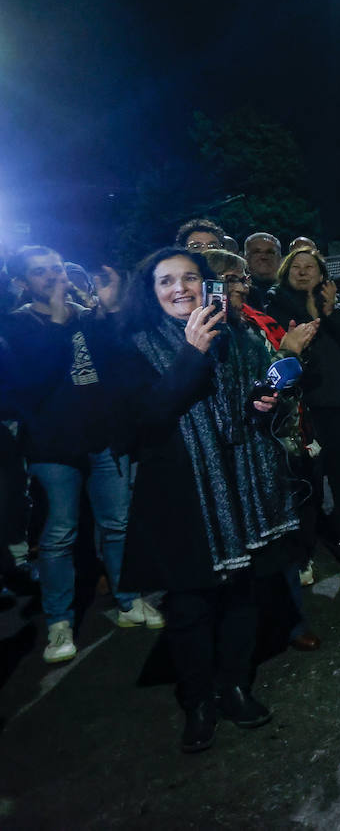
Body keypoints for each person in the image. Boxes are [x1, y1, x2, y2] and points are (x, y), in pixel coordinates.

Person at [117, 247, 299, 753]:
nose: (180, 288)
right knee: (191, 606)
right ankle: (198, 699)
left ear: (205, 284)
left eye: (190, 278)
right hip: (183, 498)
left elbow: (254, 410)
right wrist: (191, 354)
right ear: (150, 293)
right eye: (166, 281)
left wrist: (266, 403)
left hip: (243, 487)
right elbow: (147, 420)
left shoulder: (238, 336)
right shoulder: (133, 346)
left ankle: (234, 685)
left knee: (243, 595)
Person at [0, 247, 160, 665]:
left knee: (118, 524)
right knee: (59, 536)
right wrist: (56, 320)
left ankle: (129, 600)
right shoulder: (14, 326)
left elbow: (121, 363)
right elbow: (31, 381)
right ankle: (58, 621)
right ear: (21, 283)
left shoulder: (88, 317)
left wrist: (108, 313)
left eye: (56, 268)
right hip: (53, 448)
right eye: (40, 273)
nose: (53, 277)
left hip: (104, 439)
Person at [202, 248, 322, 653]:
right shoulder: (197, 338)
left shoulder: (251, 332)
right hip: (219, 465)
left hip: (262, 456)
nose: (242, 287)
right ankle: (240, 637)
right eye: (234, 280)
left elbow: (273, 385)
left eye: (243, 280)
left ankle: (292, 623)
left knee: (278, 547)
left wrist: (283, 367)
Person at [262, 247, 340, 581]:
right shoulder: (275, 307)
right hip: (301, 411)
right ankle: (303, 554)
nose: (303, 272)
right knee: (306, 486)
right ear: (286, 272)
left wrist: (329, 312)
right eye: (296, 267)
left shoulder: (339, 305)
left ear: (321, 273)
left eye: (310, 267)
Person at [243, 233, 282, 310]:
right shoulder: (237, 292)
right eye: (256, 252)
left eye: (270, 252)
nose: (264, 257)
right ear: (245, 258)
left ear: (279, 258)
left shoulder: (291, 291)